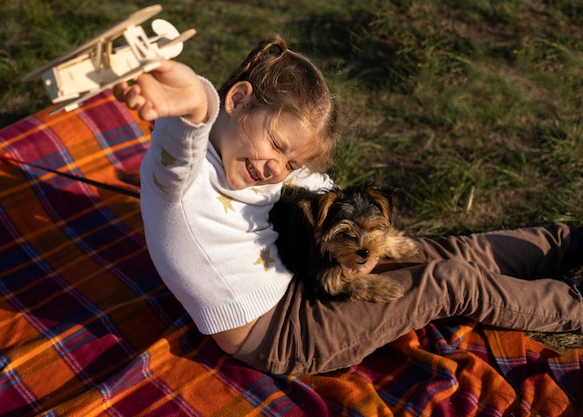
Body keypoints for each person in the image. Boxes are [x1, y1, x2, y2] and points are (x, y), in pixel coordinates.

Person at [114, 35, 583, 375]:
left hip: (309, 273)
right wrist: (191, 100)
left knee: (442, 251)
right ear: (235, 100)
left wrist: (355, 243)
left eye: (290, 159)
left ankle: (566, 243)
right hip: (284, 333)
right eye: (276, 144)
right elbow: (184, 138)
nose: (277, 167)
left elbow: (314, 182)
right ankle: (574, 307)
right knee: (447, 281)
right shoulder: (180, 186)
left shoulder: (266, 165)